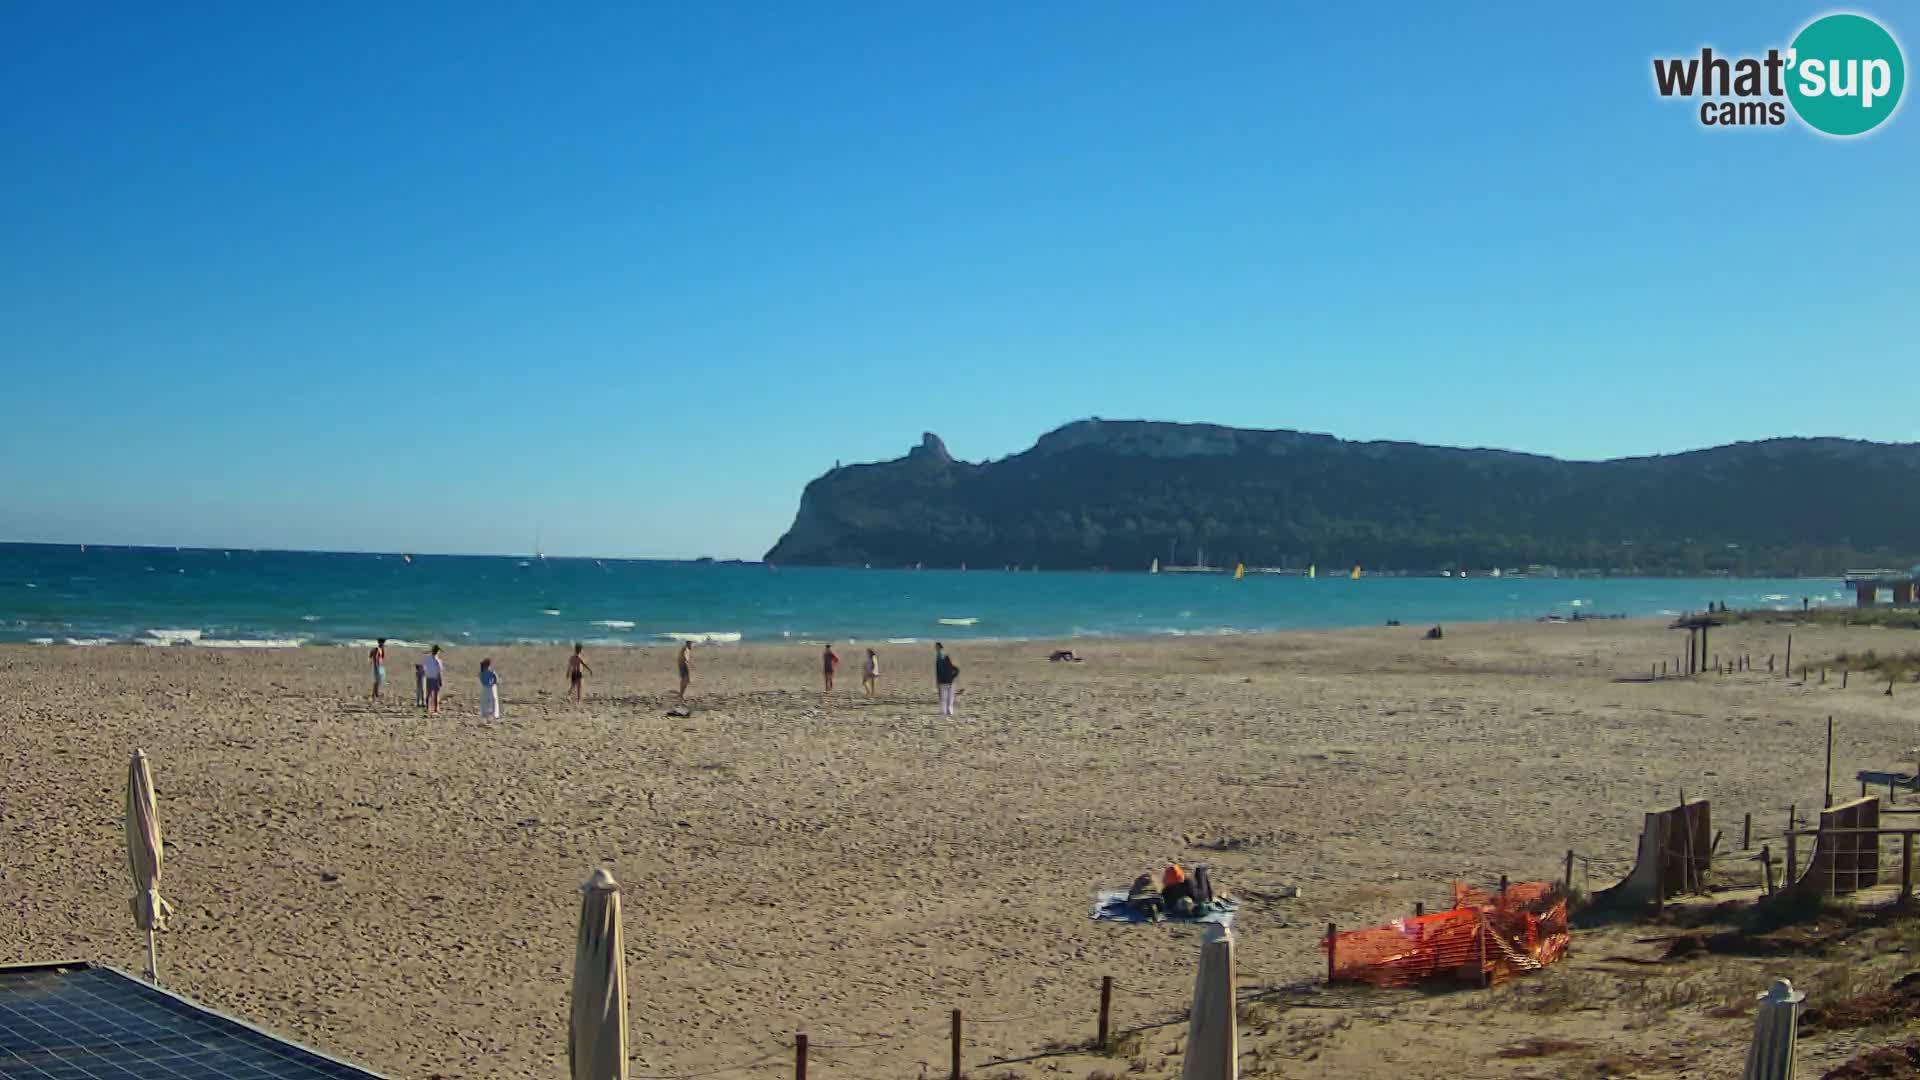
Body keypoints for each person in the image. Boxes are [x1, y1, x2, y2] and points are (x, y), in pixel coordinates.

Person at [934, 643, 959, 716]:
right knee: (949, 697)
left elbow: (938, 671)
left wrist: (938, 681)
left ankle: (944, 711)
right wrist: (953, 677)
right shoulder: (945, 660)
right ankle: (949, 711)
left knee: (944, 697)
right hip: (948, 681)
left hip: (943, 681)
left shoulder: (939, 659)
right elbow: (956, 670)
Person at [421, 645, 445, 715]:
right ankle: (436, 708)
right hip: (435, 678)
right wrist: (440, 680)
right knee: (436, 694)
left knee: (429, 694)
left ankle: (428, 708)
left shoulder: (427, 658)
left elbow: (423, 666)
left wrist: (425, 673)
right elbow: (439, 671)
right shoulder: (438, 660)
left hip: (429, 677)